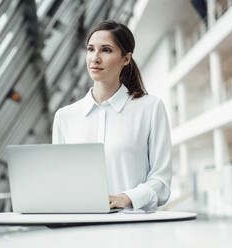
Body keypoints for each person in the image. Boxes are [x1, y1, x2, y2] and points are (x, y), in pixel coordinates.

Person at [52, 20, 172, 211]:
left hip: (133, 231)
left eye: (106, 50)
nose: (95, 58)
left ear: (126, 58)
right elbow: (60, 181)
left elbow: (161, 182)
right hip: (80, 230)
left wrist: (126, 198)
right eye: (90, 49)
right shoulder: (65, 117)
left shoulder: (150, 108)